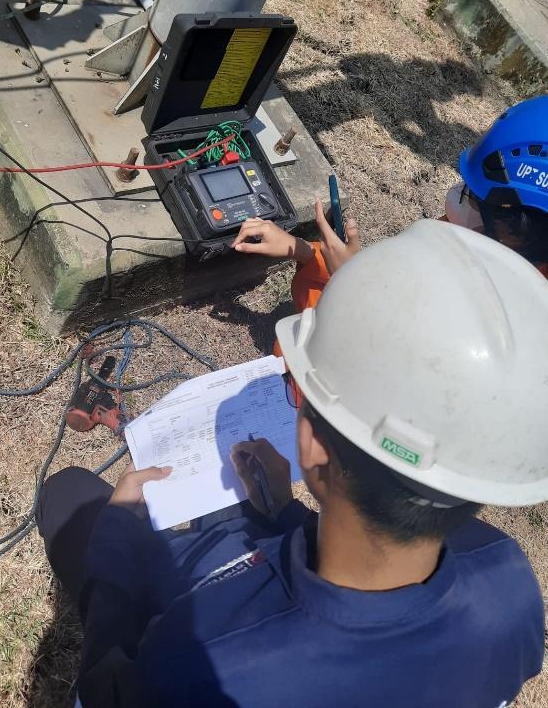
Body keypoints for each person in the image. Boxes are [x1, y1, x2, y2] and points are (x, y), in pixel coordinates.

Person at [37, 220, 547, 708]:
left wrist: (117, 543)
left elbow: (99, 693)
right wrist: (285, 513)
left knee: (69, 498)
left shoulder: (205, 661)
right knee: (228, 512)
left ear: (311, 445)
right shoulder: (511, 584)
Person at [232, 95, 548, 312]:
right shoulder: (476, 242)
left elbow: (374, 371)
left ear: (521, 232)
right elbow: (397, 282)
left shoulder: (520, 332)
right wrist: (303, 250)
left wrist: (352, 286)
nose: (457, 198)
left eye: (476, 198)